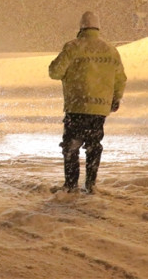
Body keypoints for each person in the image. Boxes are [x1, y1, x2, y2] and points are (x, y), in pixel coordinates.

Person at [48, 11, 127, 194]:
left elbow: (55, 72)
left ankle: (70, 185)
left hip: (77, 105)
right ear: (98, 28)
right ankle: (91, 184)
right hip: (99, 108)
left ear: (81, 27)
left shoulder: (73, 47)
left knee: (71, 146)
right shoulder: (110, 50)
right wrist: (116, 98)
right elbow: (120, 78)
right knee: (94, 145)